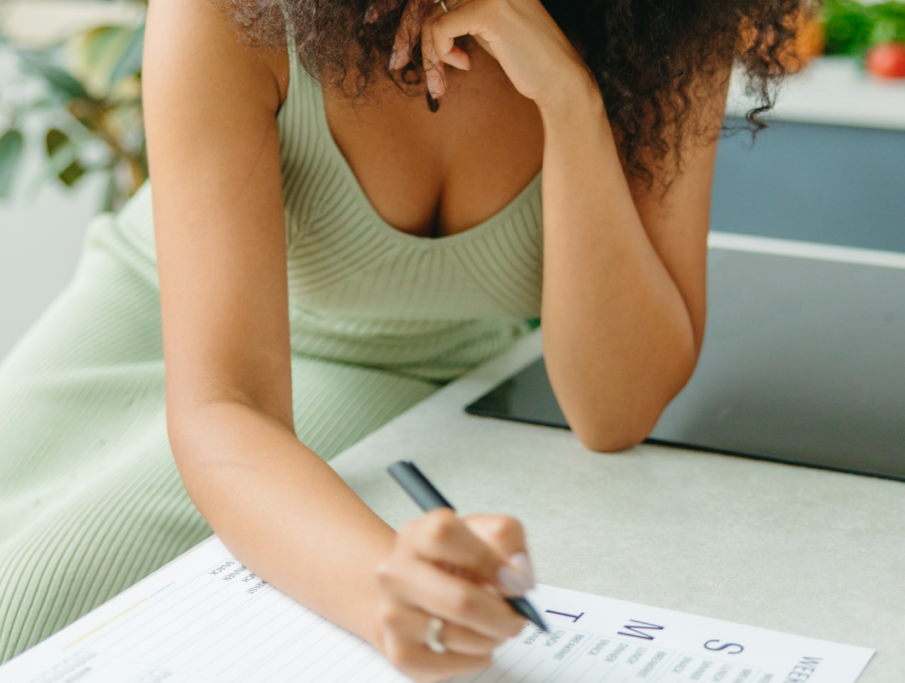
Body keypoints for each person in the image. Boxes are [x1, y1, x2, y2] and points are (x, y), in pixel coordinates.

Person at [0, 0, 804, 677]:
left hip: (404, 374)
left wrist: (567, 95)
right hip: (155, 324)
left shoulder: (670, 20)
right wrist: (379, 579)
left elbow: (614, 410)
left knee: (47, 590)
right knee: (19, 592)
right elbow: (225, 399)